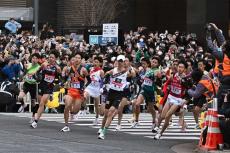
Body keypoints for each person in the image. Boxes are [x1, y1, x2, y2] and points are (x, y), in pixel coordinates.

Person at [98, 55, 132, 139]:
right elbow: (105, 76)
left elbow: (134, 74)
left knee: (111, 112)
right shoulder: (113, 71)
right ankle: (101, 128)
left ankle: (103, 132)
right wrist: (104, 85)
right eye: (118, 61)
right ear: (116, 61)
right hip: (111, 93)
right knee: (106, 114)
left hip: (119, 94)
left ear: (124, 62)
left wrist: (130, 68)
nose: (120, 62)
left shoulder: (127, 72)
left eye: (122, 61)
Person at [154, 60, 188, 140]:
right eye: (179, 67)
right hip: (170, 97)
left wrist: (185, 101)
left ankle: (160, 133)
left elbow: (188, 91)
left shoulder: (186, 78)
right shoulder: (173, 75)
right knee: (162, 115)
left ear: (185, 69)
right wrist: (165, 89)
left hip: (178, 99)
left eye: (182, 67)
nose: (180, 68)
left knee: (168, 115)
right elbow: (167, 83)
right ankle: (157, 126)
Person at [30, 50, 61, 128]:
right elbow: (37, 71)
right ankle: (48, 99)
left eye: (52, 57)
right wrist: (36, 77)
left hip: (49, 87)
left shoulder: (57, 68)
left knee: (41, 103)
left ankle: (35, 121)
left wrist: (55, 85)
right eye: (49, 57)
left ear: (55, 59)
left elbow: (59, 79)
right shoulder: (44, 65)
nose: (50, 59)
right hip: (42, 85)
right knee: (41, 102)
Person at [131, 56, 161, 133]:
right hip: (144, 90)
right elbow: (139, 77)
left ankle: (154, 121)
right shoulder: (144, 70)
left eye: (155, 62)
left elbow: (157, 75)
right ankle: (136, 121)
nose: (153, 63)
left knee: (151, 109)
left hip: (150, 91)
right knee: (137, 104)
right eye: (152, 61)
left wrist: (157, 75)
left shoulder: (154, 71)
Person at [60, 53, 88, 132]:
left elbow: (89, 80)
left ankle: (72, 112)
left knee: (75, 111)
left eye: (79, 58)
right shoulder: (69, 69)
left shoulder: (83, 70)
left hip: (79, 93)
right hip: (71, 91)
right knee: (67, 106)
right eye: (76, 57)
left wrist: (85, 88)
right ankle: (66, 125)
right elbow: (64, 78)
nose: (77, 59)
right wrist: (62, 83)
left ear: (81, 60)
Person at [206, 23, 230, 112]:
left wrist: (208, 34)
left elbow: (210, 46)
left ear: (224, 49)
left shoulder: (221, 55)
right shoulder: (225, 53)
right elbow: (224, 42)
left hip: (225, 82)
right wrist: (216, 29)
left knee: (217, 106)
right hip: (223, 79)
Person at [17, 53, 40, 117]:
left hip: (33, 85)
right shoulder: (28, 65)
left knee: (33, 103)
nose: (34, 60)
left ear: (38, 60)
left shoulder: (38, 67)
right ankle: (23, 105)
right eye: (33, 58)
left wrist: (34, 74)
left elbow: (38, 78)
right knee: (20, 97)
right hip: (26, 84)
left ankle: (33, 116)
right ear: (31, 59)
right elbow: (24, 73)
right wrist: (25, 73)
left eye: (36, 58)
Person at [84, 56, 104, 125]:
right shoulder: (91, 69)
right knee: (84, 96)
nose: (95, 63)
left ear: (100, 63)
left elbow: (102, 80)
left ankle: (97, 117)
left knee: (96, 104)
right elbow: (89, 77)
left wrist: (101, 88)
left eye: (97, 62)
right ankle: (86, 109)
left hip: (97, 88)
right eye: (94, 62)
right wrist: (86, 84)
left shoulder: (101, 71)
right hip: (90, 86)